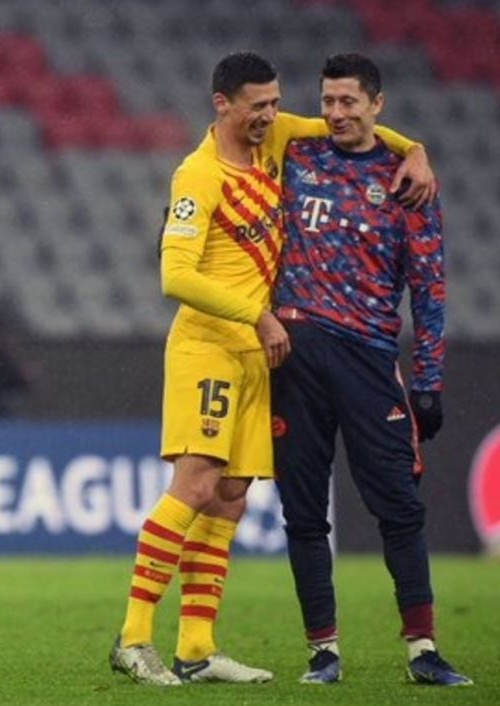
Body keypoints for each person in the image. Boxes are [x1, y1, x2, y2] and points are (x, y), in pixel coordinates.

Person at [109, 51, 435, 687]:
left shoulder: (275, 137)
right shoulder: (197, 176)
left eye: (274, 103)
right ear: (221, 105)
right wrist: (256, 316)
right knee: (197, 486)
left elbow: (355, 130)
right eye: (256, 106)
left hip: (258, 355)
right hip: (209, 347)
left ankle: (198, 648)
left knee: (231, 499)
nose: (270, 116)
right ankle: (133, 637)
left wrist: (415, 149)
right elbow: (175, 274)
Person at [272, 53, 472, 686]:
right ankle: (322, 653)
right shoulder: (296, 156)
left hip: (368, 357)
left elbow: (430, 288)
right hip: (296, 356)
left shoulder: (407, 182)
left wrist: (429, 381)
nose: (334, 113)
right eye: (327, 101)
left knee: (399, 508)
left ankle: (422, 649)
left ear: (375, 105)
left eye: (348, 102)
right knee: (303, 511)